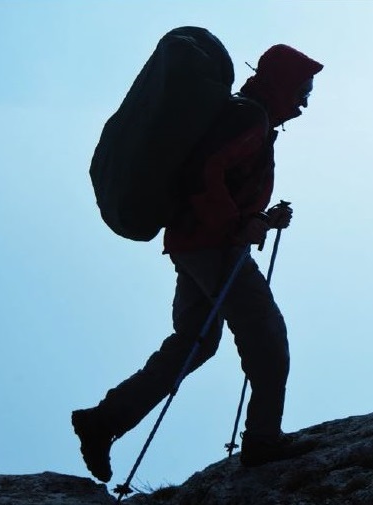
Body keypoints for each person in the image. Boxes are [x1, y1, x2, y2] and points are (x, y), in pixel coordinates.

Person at [72, 44, 323, 484]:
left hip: (193, 245)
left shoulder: (246, 117)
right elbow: (204, 175)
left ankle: (103, 421)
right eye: (302, 91)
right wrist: (238, 226)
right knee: (266, 337)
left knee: (195, 342)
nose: (304, 103)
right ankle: (263, 440)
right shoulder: (250, 119)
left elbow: (215, 183)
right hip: (215, 247)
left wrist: (261, 220)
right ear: (283, 85)